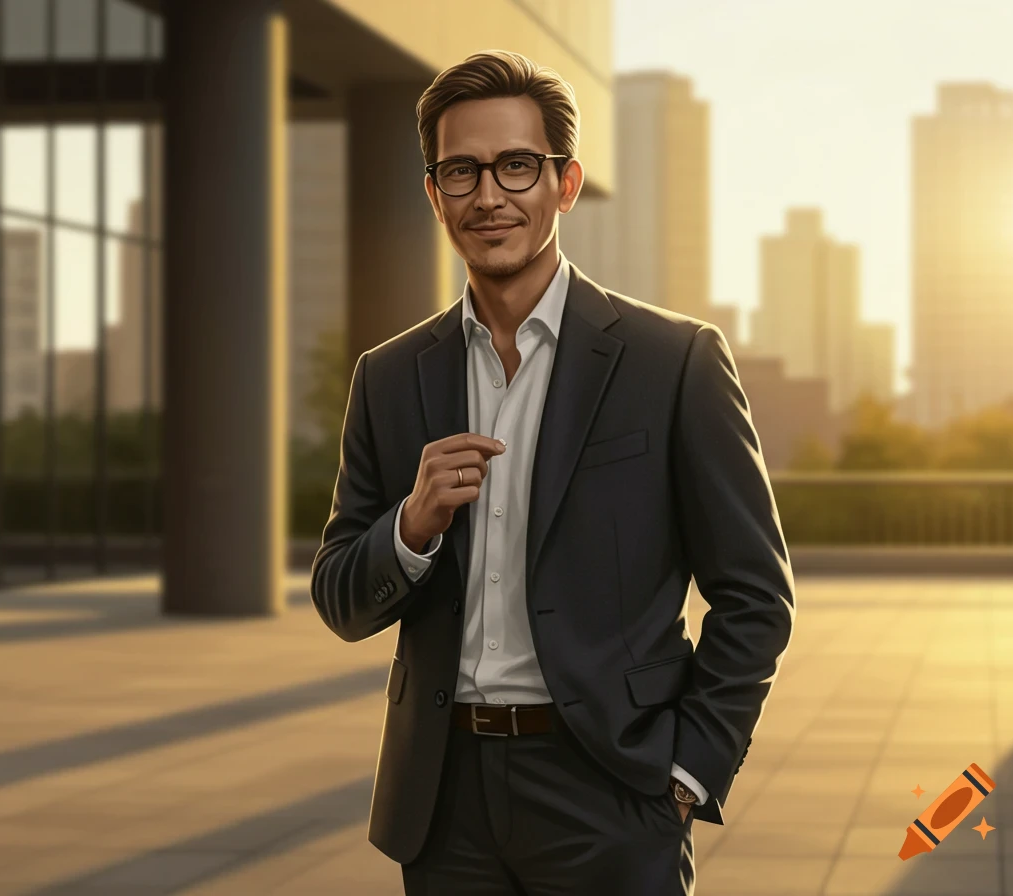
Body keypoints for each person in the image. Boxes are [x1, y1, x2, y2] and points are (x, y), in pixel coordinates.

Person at [310, 49, 795, 895]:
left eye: (517, 167)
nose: (488, 195)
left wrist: (687, 773)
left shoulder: (672, 361)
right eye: (461, 171)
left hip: (612, 787)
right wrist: (411, 529)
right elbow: (339, 598)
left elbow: (756, 594)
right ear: (434, 193)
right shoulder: (390, 377)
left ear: (565, 184)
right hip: (444, 797)